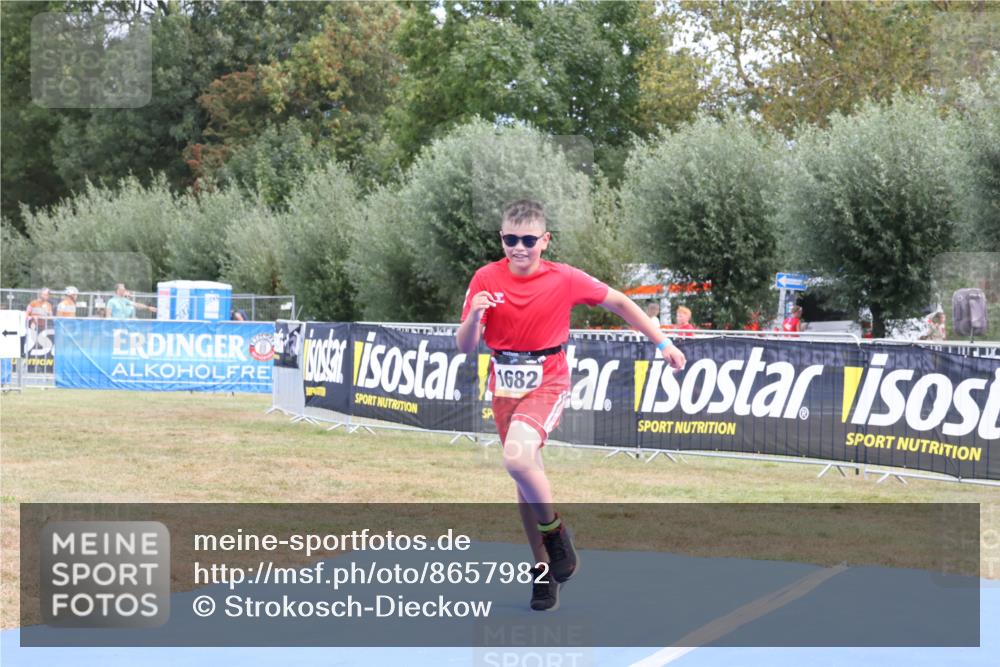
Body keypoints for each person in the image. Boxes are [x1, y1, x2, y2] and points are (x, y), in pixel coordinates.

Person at [456, 200, 686, 612]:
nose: (519, 248)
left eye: (528, 240)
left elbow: (619, 302)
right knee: (525, 478)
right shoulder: (484, 278)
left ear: (545, 241)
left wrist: (662, 341)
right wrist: (474, 316)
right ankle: (544, 570)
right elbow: (466, 345)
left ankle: (556, 533)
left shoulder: (563, 278)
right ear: (501, 239)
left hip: (548, 378)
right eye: (510, 239)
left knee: (517, 459)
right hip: (504, 385)